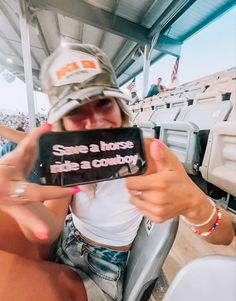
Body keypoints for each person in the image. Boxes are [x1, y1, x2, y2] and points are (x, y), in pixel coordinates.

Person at [0, 43, 234, 301]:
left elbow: (225, 235)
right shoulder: (69, 158)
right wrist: (15, 202)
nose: (95, 122)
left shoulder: (148, 154)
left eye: (102, 103)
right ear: (63, 124)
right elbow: (49, 229)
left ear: (119, 106)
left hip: (103, 267)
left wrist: (195, 207)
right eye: (75, 111)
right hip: (65, 238)